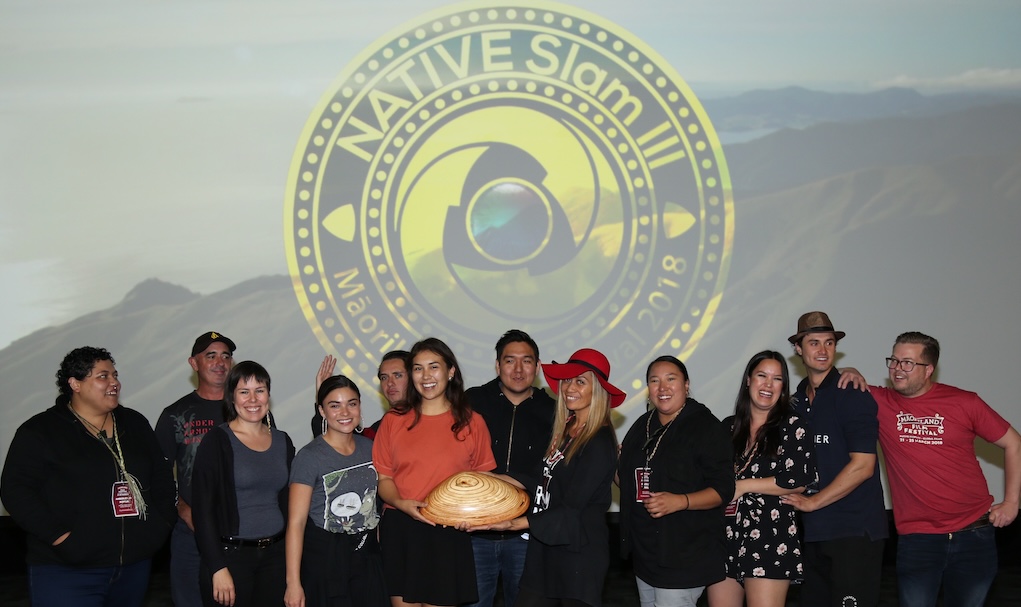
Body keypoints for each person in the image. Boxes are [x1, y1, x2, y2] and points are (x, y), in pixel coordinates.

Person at [1, 346, 176, 607]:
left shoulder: (134, 423)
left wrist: (158, 528)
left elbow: (161, 477)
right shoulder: (40, 431)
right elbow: (15, 491)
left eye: (115, 375)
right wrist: (62, 539)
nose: (114, 382)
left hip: (133, 568)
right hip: (67, 571)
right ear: (75, 384)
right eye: (103, 376)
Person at [871, 331, 1020, 606]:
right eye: (893, 360)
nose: (896, 369)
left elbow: (1014, 444)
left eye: (907, 363)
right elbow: (833, 381)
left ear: (929, 369)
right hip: (918, 540)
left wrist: (1012, 502)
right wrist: (850, 370)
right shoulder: (879, 402)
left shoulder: (965, 402)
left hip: (974, 534)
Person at [470, 347, 623, 607]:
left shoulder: (598, 441)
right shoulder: (568, 428)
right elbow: (544, 481)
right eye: (567, 381)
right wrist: (496, 478)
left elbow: (572, 508)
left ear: (597, 390)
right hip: (547, 547)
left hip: (578, 556)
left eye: (580, 381)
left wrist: (512, 524)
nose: (569, 388)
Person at [371, 337, 497, 607]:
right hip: (401, 528)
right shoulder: (393, 420)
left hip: (448, 532)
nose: (425, 376)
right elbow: (385, 479)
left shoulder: (473, 422)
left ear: (451, 371)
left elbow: (483, 485)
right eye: (417, 368)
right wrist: (402, 504)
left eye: (433, 367)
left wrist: (470, 516)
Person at [780, 311, 887, 607]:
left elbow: (863, 466)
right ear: (799, 349)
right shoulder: (797, 399)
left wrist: (814, 501)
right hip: (814, 531)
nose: (823, 350)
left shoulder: (851, 392)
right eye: (813, 343)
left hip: (853, 530)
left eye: (828, 343)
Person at [617, 355, 734, 607]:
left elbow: (723, 489)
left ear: (686, 384)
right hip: (646, 554)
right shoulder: (641, 426)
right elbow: (628, 483)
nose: (663, 387)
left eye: (671, 379)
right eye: (654, 380)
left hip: (685, 555)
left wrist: (681, 501)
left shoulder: (706, 427)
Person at [707, 351, 813, 607]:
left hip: (770, 536)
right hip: (725, 535)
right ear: (748, 380)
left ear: (783, 387)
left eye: (777, 379)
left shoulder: (793, 425)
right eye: (761, 376)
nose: (768, 384)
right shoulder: (728, 427)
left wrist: (743, 486)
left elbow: (798, 478)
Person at [192, 361, 295, 607]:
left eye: (259, 390)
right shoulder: (217, 441)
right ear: (232, 398)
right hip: (231, 557)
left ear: (268, 395)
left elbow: (290, 502)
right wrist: (217, 567)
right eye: (243, 391)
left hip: (275, 557)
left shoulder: (283, 441)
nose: (253, 399)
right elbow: (202, 511)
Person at [465, 329, 556, 607]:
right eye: (509, 360)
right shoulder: (472, 402)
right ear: (497, 365)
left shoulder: (554, 411)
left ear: (537, 367)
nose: (518, 369)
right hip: (475, 532)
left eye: (526, 361)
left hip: (526, 534)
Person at [285, 375, 387, 607]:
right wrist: (293, 583)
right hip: (327, 564)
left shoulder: (370, 448)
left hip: (368, 560)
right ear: (322, 411)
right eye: (334, 405)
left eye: (352, 403)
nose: (345, 412)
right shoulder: (309, 457)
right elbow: (296, 523)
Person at [155, 331, 237, 607]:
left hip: (240, 533)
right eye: (210, 355)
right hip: (191, 536)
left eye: (226, 356)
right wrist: (184, 510)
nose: (220, 362)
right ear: (194, 363)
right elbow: (157, 478)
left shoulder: (249, 409)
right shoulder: (175, 415)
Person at [311, 350, 410, 439]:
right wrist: (323, 395)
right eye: (384, 377)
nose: (389, 383)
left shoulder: (424, 421)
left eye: (398, 375)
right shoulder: (373, 435)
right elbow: (331, 448)